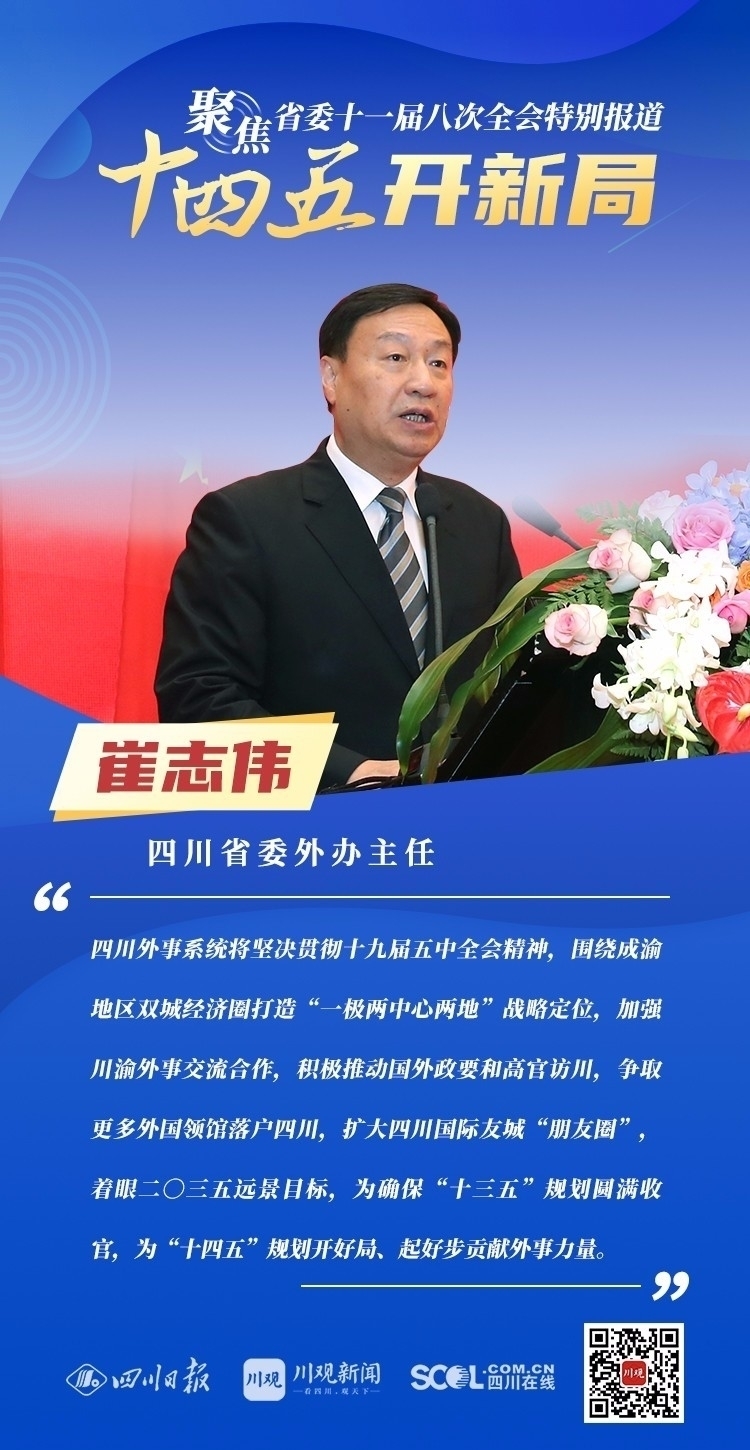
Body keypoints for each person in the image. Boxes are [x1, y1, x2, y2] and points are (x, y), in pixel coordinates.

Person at [155, 282, 521, 788]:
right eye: (396, 358)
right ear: (331, 378)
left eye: (439, 363)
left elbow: (509, 683)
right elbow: (198, 699)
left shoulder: (480, 522)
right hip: (317, 819)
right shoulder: (247, 519)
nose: (424, 383)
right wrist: (350, 772)